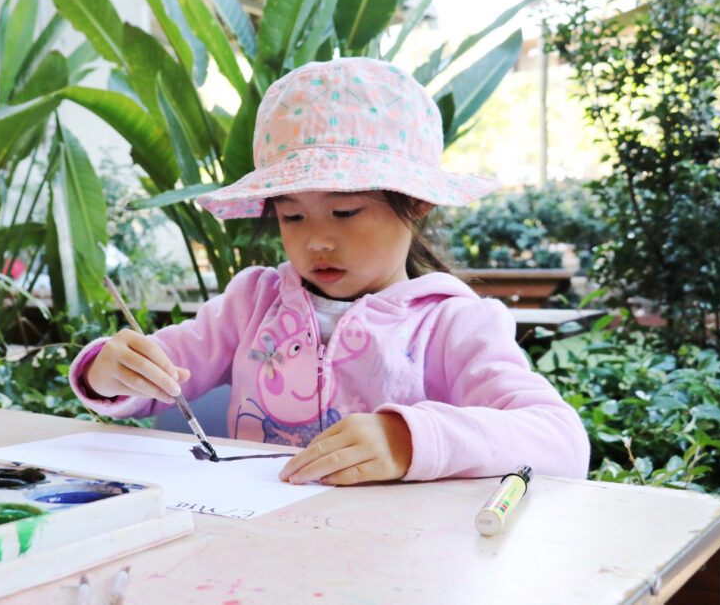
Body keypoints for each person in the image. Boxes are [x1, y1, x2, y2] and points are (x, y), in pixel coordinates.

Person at [69, 57, 590, 485]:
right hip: (257, 547)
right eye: (292, 215)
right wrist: (111, 371)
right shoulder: (252, 304)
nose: (316, 238)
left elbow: (560, 439)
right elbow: (162, 369)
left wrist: (411, 441)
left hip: (397, 563)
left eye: (345, 212)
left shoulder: (454, 325)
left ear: (417, 204)